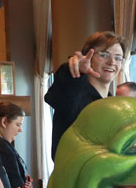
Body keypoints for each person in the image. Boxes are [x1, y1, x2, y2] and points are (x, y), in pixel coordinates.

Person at [45, 30, 125, 160]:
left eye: (118, 58)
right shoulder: (75, 96)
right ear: (88, 57)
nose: (112, 62)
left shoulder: (114, 104)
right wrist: (74, 71)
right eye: (104, 55)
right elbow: (56, 97)